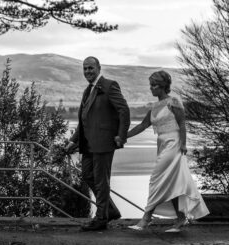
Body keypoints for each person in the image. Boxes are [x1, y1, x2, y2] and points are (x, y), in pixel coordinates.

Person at [127, 70, 209, 232]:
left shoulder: (174, 102)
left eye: (154, 85)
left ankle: (146, 218)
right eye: (150, 85)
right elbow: (143, 125)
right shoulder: (154, 107)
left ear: (163, 86)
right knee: (172, 183)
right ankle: (180, 219)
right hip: (162, 145)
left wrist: (184, 144)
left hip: (174, 144)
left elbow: (182, 124)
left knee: (156, 179)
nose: (151, 88)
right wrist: (124, 137)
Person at [65, 56, 130, 231]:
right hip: (87, 144)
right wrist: (74, 140)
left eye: (91, 68)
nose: (87, 71)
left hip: (104, 142)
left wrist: (121, 136)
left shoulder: (109, 85)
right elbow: (84, 119)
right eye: (85, 68)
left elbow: (123, 110)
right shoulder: (87, 90)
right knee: (87, 175)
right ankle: (111, 209)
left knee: (101, 181)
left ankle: (101, 218)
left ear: (99, 68)